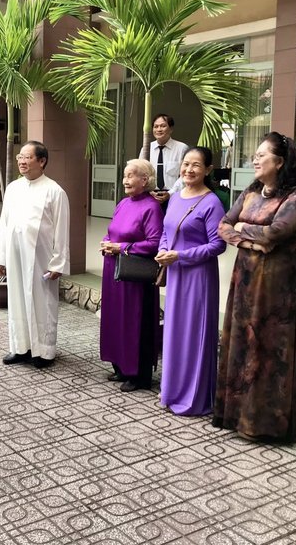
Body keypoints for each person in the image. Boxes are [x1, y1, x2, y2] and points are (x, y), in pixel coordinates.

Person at [214, 132, 296, 440]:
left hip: (279, 279)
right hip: (246, 273)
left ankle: (266, 422)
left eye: (261, 155)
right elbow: (223, 226)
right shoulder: (252, 191)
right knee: (243, 337)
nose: (254, 160)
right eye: (254, 155)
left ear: (279, 162)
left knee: (271, 344)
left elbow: (277, 232)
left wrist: (244, 228)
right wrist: (251, 240)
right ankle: (237, 414)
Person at [156, 147, 226, 415]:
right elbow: (166, 231)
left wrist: (180, 255)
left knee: (193, 334)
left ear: (208, 170)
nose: (189, 169)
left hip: (198, 278)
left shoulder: (211, 203)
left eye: (196, 165)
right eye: (186, 164)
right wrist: (163, 250)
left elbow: (218, 245)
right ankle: (172, 390)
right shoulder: (175, 198)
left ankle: (194, 397)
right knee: (175, 332)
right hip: (175, 274)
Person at [0, 140, 70, 368]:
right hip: (16, 257)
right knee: (17, 300)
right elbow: (4, 224)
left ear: (42, 161)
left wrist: (58, 263)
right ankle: (20, 348)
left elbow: (62, 230)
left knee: (41, 304)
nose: (22, 161)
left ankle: (44, 351)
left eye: (27, 157)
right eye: (20, 157)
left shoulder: (55, 191)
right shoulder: (13, 188)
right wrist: (0, 256)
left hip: (41, 260)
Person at [99, 159, 163, 391]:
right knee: (115, 318)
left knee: (134, 322)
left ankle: (139, 375)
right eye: (124, 175)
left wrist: (122, 247)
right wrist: (106, 243)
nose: (125, 180)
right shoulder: (123, 203)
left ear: (144, 180)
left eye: (130, 175)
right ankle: (121, 367)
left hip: (135, 275)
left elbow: (155, 242)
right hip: (114, 270)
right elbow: (112, 232)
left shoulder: (151, 207)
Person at [138, 113, 189, 209]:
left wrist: (170, 193)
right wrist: (149, 191)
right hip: (150, 196)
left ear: (171, 129)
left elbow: (184, 176)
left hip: (174, 196)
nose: (159, 129)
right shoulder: (146, 148)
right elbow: (140, 173)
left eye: (163, 126)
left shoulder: (182, 148)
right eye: (156, 126)